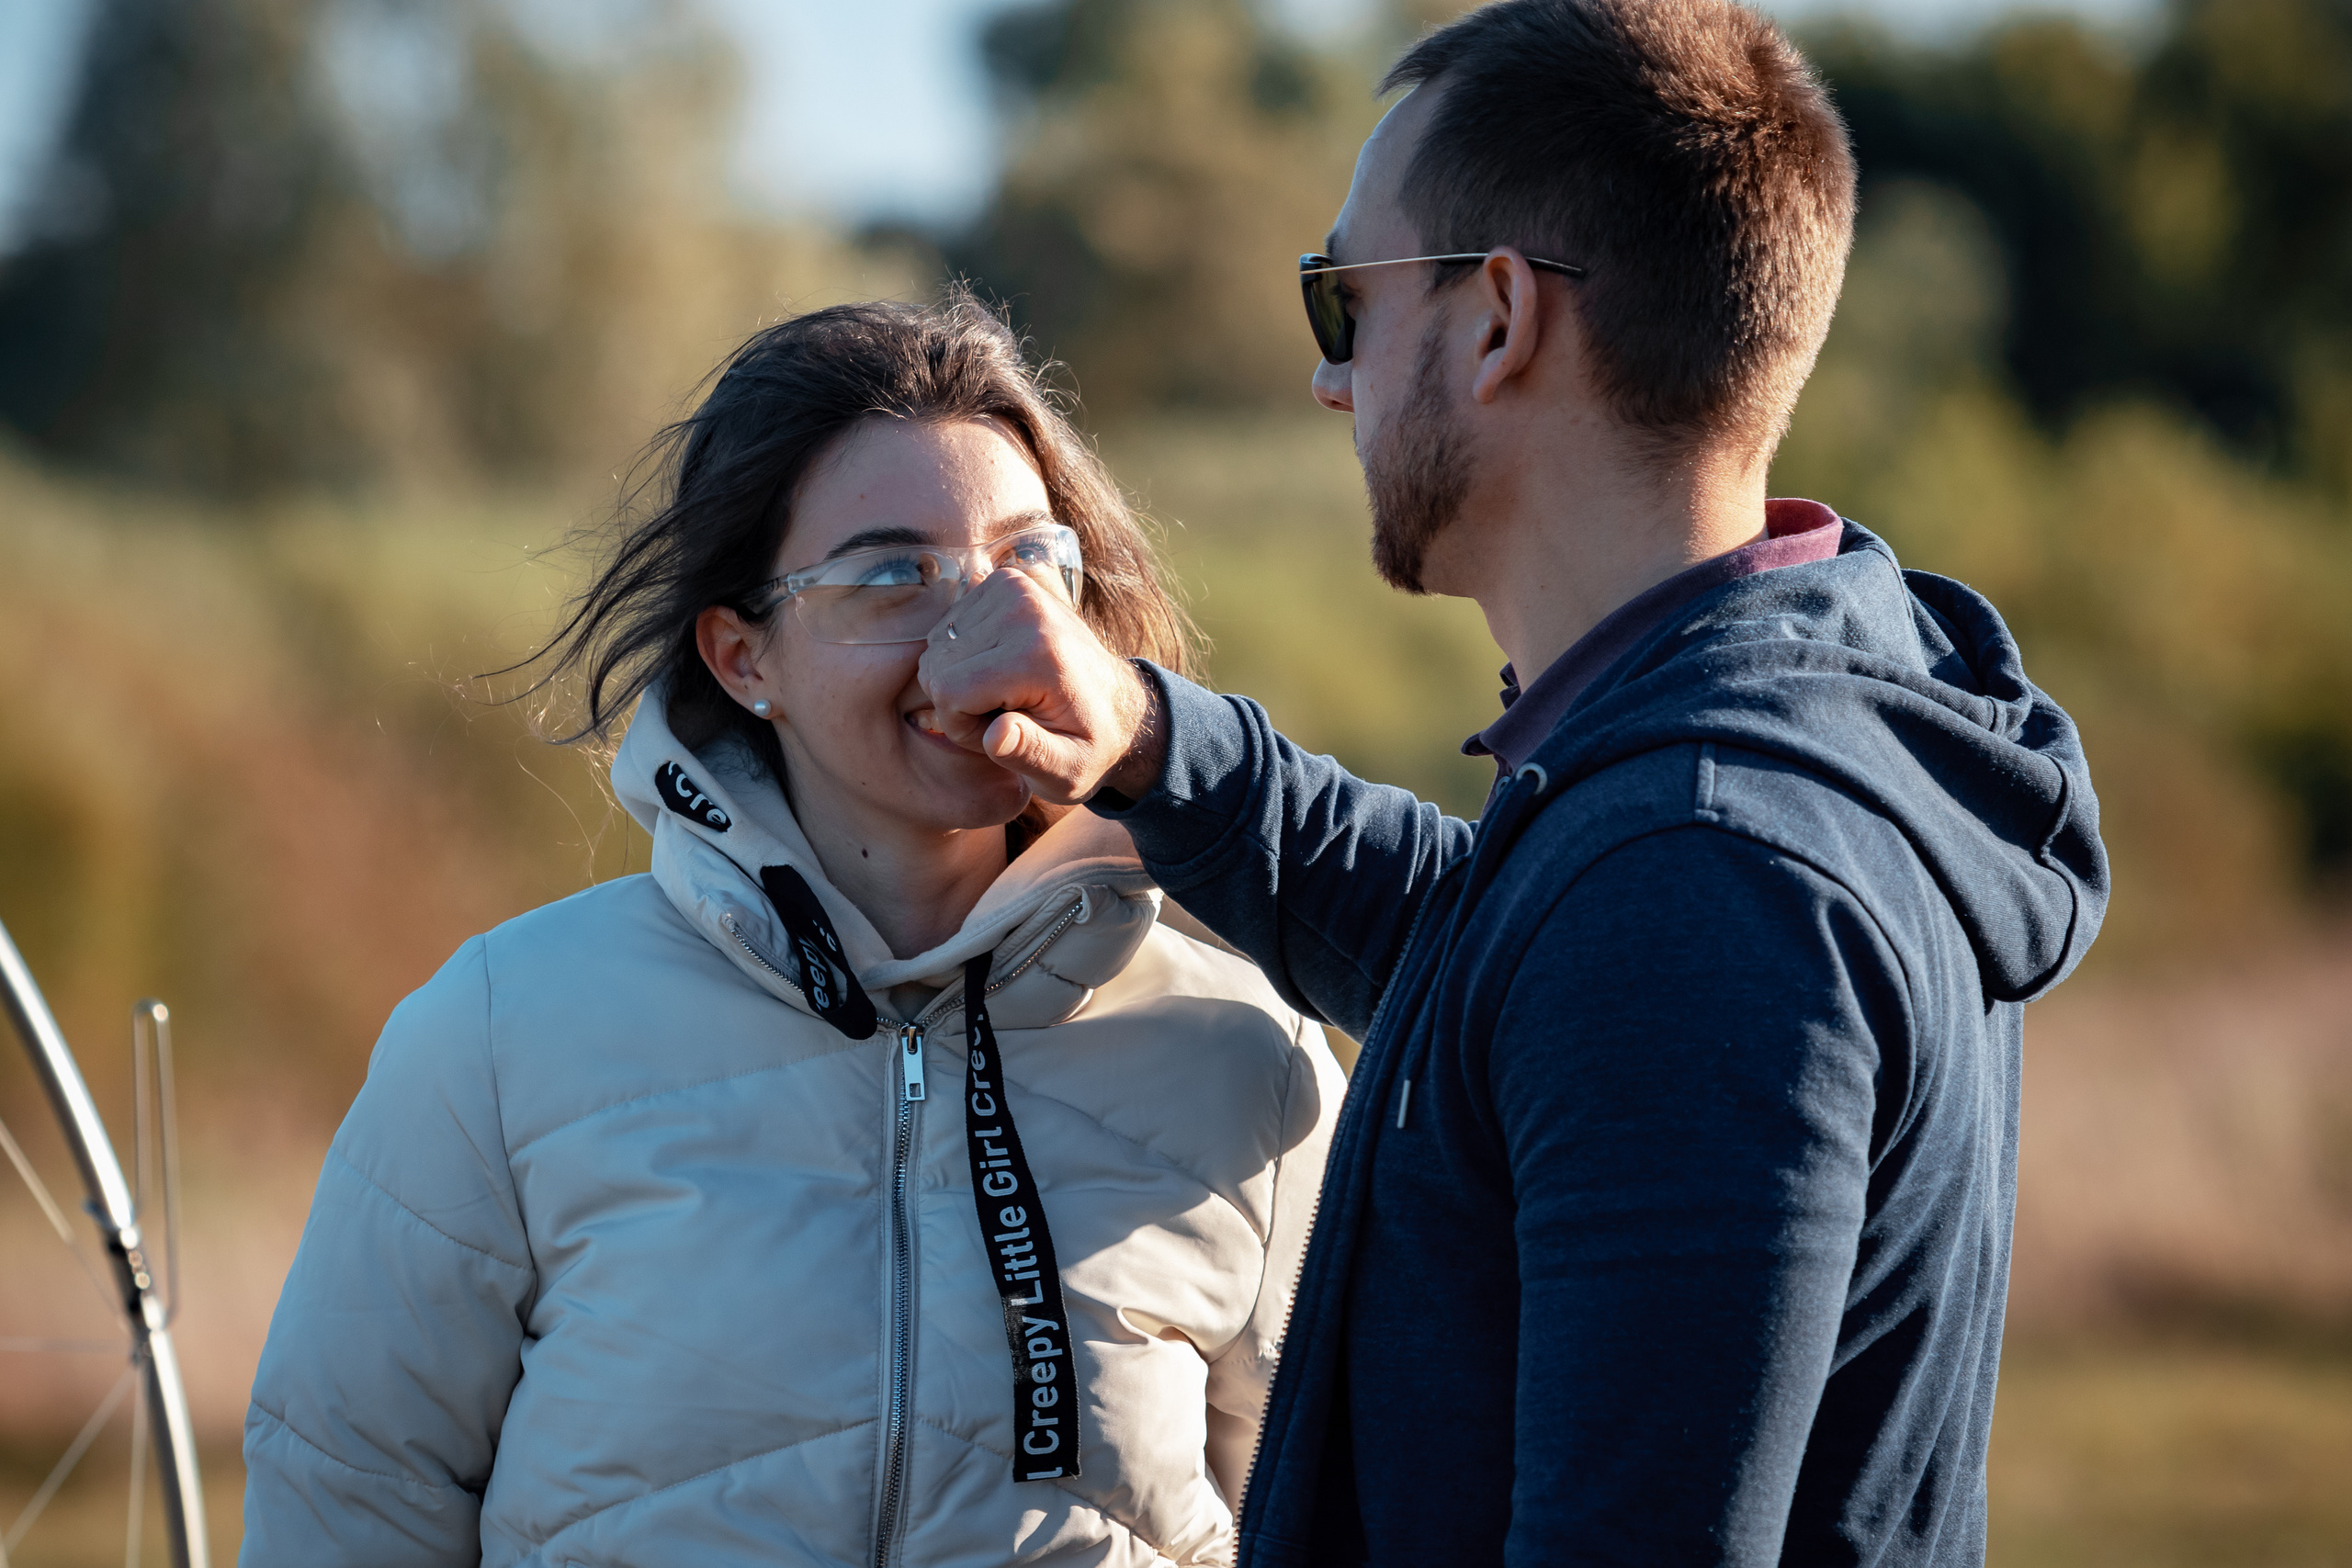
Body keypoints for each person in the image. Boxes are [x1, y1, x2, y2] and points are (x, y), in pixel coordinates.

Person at [916, 2, 2111, 1563]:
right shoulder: (1760, 740)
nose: (1333, 381)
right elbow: (1487, 949)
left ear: (1496, 319)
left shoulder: (1697, 882)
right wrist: (1149, 734)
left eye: (1346, 298)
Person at [238, 295, 1346, 1566]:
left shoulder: (1250, 1053)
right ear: (741, 654)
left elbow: (1356, 1516)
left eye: (1031, 563)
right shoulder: (494, 1040)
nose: (987, 632)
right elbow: (343, 1507)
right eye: (891, 576)